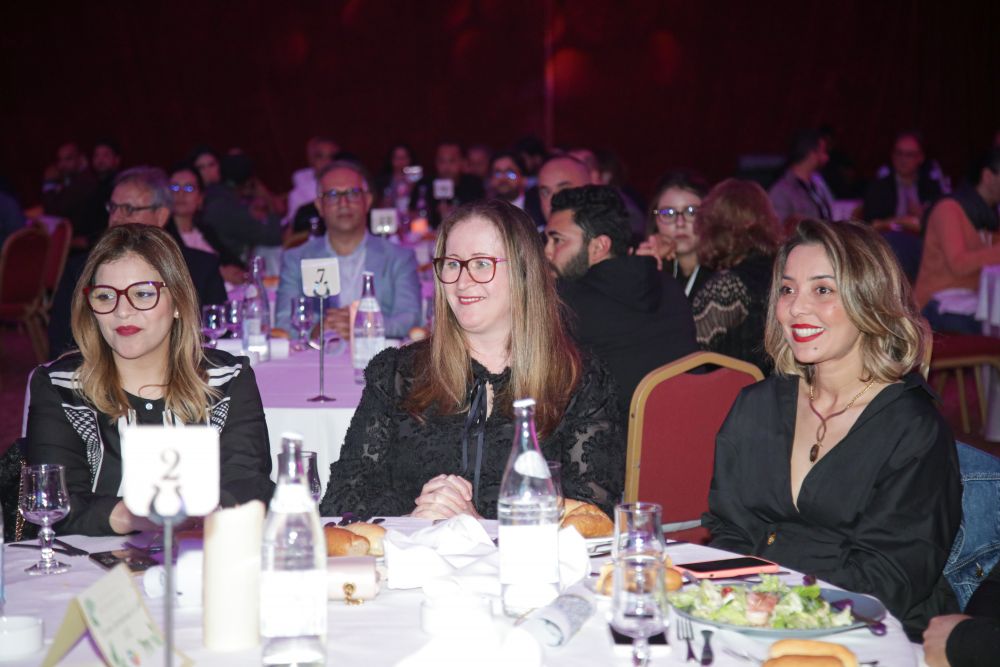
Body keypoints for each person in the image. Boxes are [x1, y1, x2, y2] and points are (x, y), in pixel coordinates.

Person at [704, 219, 962, 638]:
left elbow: (888, 580)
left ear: (870, 301)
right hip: (758, 620)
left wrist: (772, 577)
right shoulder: (757, 406)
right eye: (787, 290)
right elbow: (729, 531)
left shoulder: (913, 430)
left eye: (822, 290)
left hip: (873, 634)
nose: (796, 308)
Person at [318, 200, 625, 520]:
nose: (462, 282)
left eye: (481, 263)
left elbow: (593, 517)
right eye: (452, 264)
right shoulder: (398, 374)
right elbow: (340, 501)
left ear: (524, 272)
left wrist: (478, 527)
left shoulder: (579, 380)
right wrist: (413, 519)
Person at [26, 224, 274, 536]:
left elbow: (248, 483)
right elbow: (55, 501)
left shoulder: (225, 380)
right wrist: (133, 516)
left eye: (143, 294)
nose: (122, 312)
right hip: (88, 564)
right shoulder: (62, 387)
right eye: (105, 296)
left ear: (178, 303)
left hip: (200, 553)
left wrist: (197, 515)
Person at [48, 167, 228, 359]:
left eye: (129, 209)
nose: (116, 217)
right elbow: (64, 346)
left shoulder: (200, 268)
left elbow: (214, 341)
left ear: (161, 215)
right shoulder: (80, 270)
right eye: (113, 207)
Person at [546, 185, 697, 414]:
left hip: (621, 435)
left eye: (557, 240)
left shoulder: (568, 302)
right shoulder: (669, 286)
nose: (547, 252)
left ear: (599, 246)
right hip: (694, 427)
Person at [275, 160, 421, 338]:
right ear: (320, 206)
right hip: (318, 353)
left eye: (352, 193)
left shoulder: (399, 258)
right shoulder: (297, 259)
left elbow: (410, 319)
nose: (343, 202)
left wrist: (361, 324)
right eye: (333, 194)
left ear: (367, 201)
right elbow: (284, 322)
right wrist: (317, 330)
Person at [690, 179, 781, 372]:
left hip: (731, 390)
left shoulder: (727, 285)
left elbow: (689, 356)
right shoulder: (781, 270)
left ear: (715, 227)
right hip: (772, 385)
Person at [915, 147, 1000, 334]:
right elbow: (958, 264)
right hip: (935, 303)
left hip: (974, 299)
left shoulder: (989, 215)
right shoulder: (949, 209)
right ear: (988, 176)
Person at [636, 171, 713, 299]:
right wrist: (644, 269)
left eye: (691, 212)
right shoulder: (657, 271)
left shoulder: (724, 276)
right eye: (668, 213)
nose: (680, 223)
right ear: (655, 221)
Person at [166, 166, 246, 284]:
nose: (181, 193)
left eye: (189, 188)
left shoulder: (206, 231)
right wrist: (219, 274)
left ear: (200, 198)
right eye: (174, 187)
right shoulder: (163, 235)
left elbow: (235, 263)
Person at [409, 141, 486, 228]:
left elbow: (482, 215)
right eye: (442, 161)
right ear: (436, 162)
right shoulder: (424, 185)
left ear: (461, 162)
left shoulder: (474, 185)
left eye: (452, 161)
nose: (446, 167)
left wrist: (459, 213)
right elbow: (411, 213)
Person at [768, 128, 833, 225]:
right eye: (823, 151)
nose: (826, 157)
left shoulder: (819, 183)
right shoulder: (781, 191)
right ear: (812, 154)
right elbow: (779, 228)